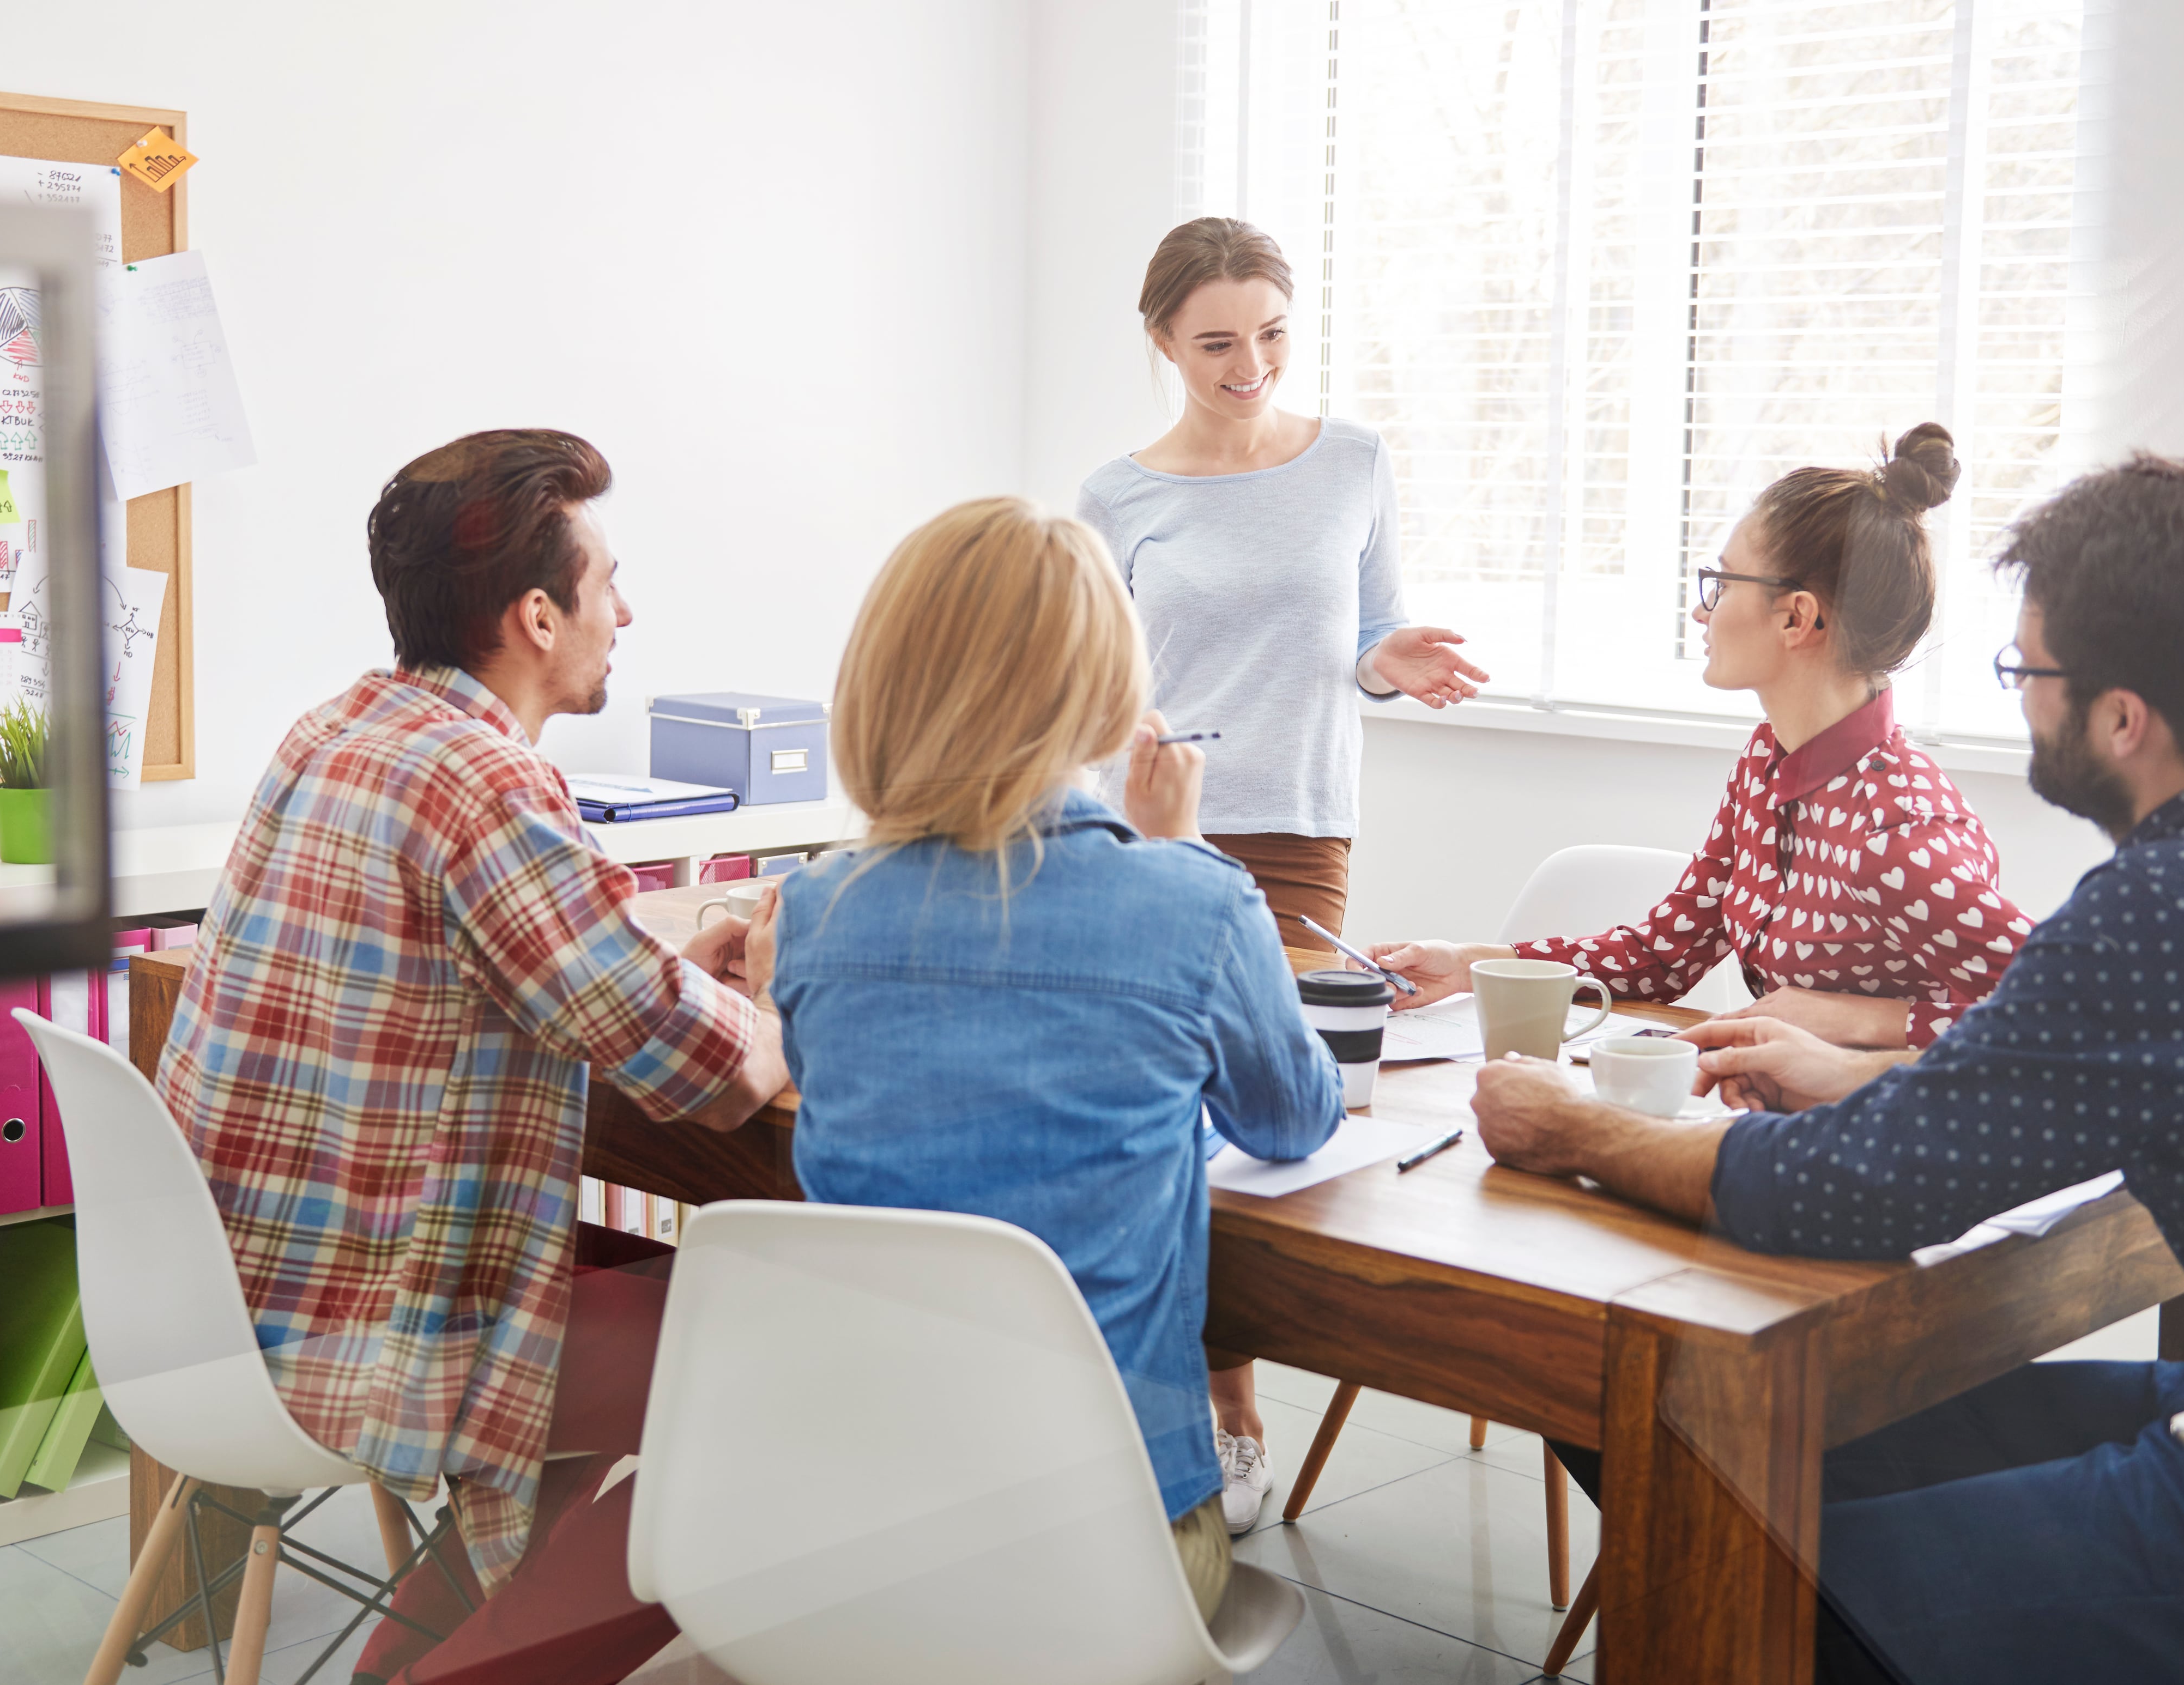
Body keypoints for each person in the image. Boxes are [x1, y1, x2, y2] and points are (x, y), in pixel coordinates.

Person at [1468, 454, 2184, 1683]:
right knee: (1750, 1445)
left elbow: (1842, 1194)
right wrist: (1874, 1076)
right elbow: (2060, 1080)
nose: (2019, 696)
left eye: (2027, 672)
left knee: (1729, 1559)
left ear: (2121, 718)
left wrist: (1572, 1129)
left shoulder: (2159, 914)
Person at [155, 430, 790, 1685]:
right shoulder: (489, 783)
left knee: (666, 1293)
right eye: (609, 580)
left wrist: (676, 981)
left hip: (220, 1305)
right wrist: (787, 1008)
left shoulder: (337, 726)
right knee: (783, 1357)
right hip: (363, 1331)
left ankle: (411, 1662)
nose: (628, 609)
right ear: (539, 614)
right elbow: (706, 1076)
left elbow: (564, 980)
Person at [764, 496, 1344, 1573]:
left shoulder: (816, 906)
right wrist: (1180, 855)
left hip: (855, 1531)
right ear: (1103, 694)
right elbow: (1295, 1119)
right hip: (1108, 1548)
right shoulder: (1195, 902)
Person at [1079, 215, 1484, 1493]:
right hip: (1155, 821)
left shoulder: (1353, 461)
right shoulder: (1117, 496)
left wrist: (1389, 659)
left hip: (1303, 828)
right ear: (1160, 341)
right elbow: (1093, 679)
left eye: (1268, 334)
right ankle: (1214, 1412)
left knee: (1269, 1116)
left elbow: (1362, 635)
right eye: (1214, 342)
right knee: (1167, 1116)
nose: (1247, 363)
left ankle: (1229, 1408)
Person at [1372, 423, 2035, 1052]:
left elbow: (2072, 1013)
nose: (1699, 608)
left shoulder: (1898, 829)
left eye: (1719, 583)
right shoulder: (1767, 762)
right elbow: (1666, 951)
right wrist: (1470, 965)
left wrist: (1859, 1016)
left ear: (1796, 617)